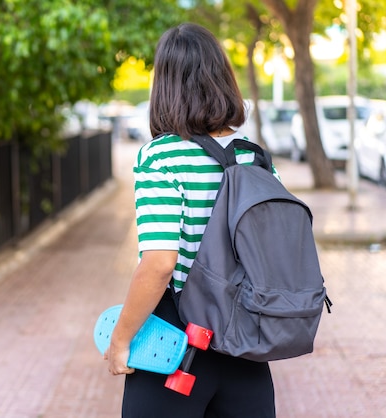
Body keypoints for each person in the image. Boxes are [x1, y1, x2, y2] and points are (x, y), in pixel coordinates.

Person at [104, 23, 277, 417]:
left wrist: (121, 338)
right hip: (246, 347)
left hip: (174, 347)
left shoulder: (160, 157)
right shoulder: (255, 156)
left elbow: (161, 263)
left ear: (164, 86)